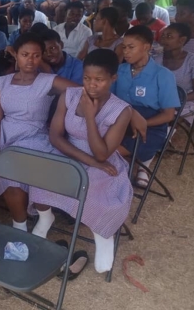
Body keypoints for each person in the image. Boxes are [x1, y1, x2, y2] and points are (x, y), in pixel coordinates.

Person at [30, 49, 134, 273]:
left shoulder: (122, 111)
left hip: (102, 161)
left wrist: (89, 116)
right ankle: (45, 218)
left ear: (113, 78)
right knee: (40, 174)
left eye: (99, 79)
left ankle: (102, 234)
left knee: (93, 186)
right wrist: (88, 161)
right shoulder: (69, 95)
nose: (91, 85)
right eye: (87, 78)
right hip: (68, 151)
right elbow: (55, 136)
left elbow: (101, 155)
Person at [0, 33, 76, 231]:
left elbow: (84, 91)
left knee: (10, 167)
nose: (30, 60)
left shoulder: (49, 81)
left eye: (36, 55)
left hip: (33, 136)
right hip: (4, 133)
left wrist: (127, 112)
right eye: (25, 55)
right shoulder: (4, 82)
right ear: (16, 55)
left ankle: (21, 225)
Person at [114, 25, 180, 187]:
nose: (126, 52)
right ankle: (119, 176)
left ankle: (120, 180)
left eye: (131, 47)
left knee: (108, 152)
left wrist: (141, 122)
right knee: (99, 147)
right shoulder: (119, 70)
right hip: (119, 121)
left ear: (146, 47)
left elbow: (168, 115)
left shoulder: (163, 75)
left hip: (150, 127)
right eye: (124, 47)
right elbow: (109, 100)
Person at [157, 23, 194, 124]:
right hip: (160, 103)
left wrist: (175, 101)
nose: (163, 39)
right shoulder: (156, 59)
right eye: (163, 35)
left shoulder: (193, 61)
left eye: (169, 36)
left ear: (182, 40)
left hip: (185, 105)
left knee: (169, 122)